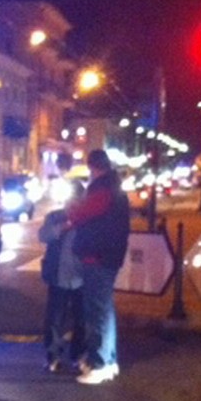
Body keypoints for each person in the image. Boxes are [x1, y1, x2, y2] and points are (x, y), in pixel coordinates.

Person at [67, 149, 130, 385]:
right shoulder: (113, 187)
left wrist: (70, 205)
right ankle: (108, 359)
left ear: (93, 166)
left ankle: (99, 363)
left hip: (98, 256)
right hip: (107, 255)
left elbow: (80, 214)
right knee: (105, 309)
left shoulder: (102, 189)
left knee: (97, 312)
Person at [38, 205, 84, 373]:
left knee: (82, 319)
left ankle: (78, 355)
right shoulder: (56, 216)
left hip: (81, 277)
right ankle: (53, 357)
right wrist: (60, 227)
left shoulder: (87, 215)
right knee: (55, 319)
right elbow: (42, 236)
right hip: (58, 276)